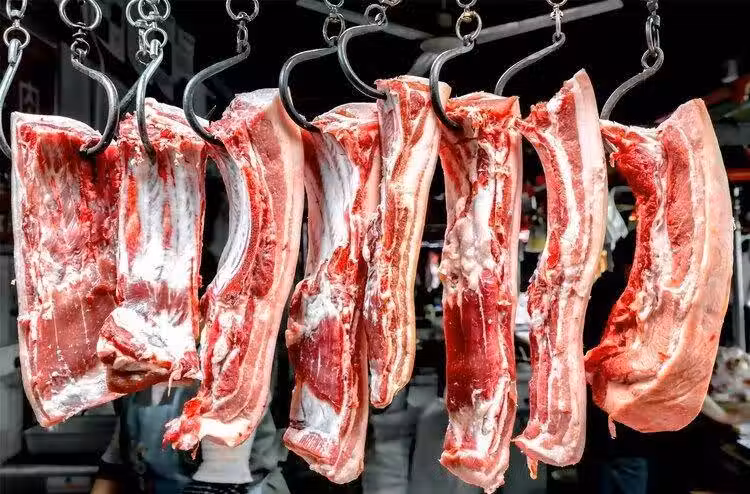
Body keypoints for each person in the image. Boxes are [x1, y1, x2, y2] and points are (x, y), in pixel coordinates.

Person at [578, 232, 649, 494]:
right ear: (631, 265)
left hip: (600, 428)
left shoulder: (603, 290)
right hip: (620, 434)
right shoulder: (621, 298)